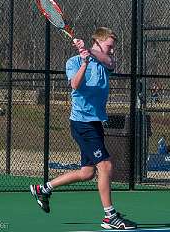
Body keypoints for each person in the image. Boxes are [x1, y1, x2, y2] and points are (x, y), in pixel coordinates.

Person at [30, 27, 137, 230]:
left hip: (95, 123)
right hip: (81, 123)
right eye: (110, 46)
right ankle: (110, 217)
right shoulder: (74, 62)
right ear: (99, 41)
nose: (112, 51)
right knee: (105, 166)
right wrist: (85, 61)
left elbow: (111, 63)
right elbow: (75, 85)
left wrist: (90, 51)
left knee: (87, 172)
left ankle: (43, 189)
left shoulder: (105, 63)